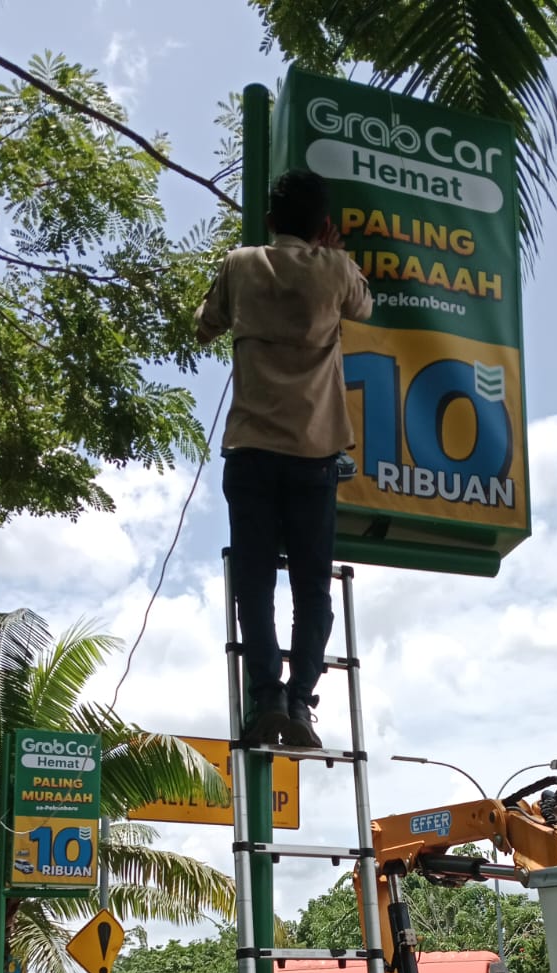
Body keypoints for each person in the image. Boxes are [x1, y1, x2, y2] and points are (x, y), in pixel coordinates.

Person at [195, 168, 373, 750]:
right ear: (324, 226)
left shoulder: (240, 263)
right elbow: (365, 307)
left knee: (254, 581)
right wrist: (334, 258)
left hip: (250, 451)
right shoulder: (338, 271)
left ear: (270, 220)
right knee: (311, 589)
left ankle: (266, 695)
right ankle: (301, 701)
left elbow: (204, 326)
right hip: (314, 457)